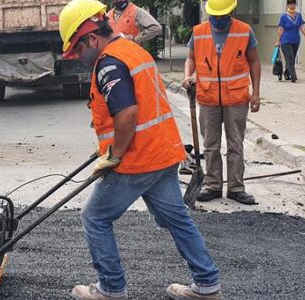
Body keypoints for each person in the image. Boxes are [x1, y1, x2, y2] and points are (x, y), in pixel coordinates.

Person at [58, 0, 222, 299]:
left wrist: (115, 155)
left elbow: (127, 114)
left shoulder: (109, 63)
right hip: (162, 152)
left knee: (94, 217)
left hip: (137, 159)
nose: (79, 58)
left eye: (79, 50)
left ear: (92, 38)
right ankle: (208, 284)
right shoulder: (132, 50)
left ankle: (110, 288)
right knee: (176, 218)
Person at [183, 0, 261, 206]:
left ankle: (236, 188)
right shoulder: (199, 32)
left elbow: (254, 61)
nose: (217, 21)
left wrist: (256, 93)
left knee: (235, 144)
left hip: (236, 99)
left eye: (221, 16)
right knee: (210, 145)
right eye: (214, 16)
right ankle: (213, 185)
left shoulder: (244, 31)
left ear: (231, 12)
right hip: (208, 98)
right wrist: (188, 75)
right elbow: (190, 58)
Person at [275, 0, 305, 82]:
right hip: (285, 41)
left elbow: (301, 26)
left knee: (292, 59)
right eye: (290, 4)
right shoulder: (283, 17)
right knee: (290, 57)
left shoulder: (299, 16)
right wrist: (277, 40)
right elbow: (280, 29)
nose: (292, 5)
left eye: (293, 4)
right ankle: (293, 76)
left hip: (296, 41)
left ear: (295, 5)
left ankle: (287, 73)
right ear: (287, 5)